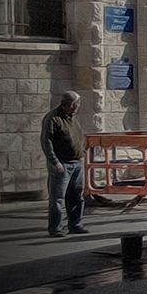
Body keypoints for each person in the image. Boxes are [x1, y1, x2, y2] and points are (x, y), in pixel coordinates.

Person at [40, 91, 88, 237]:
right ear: (71, 104)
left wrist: (82, 154)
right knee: (57, 198)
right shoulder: (52, 119)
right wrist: (54, 161)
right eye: (77, 103)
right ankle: (55, 228)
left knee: (77, 196)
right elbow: (46, 142)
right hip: (62, 164)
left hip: (77, 163)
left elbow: (79, 137)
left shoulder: (75, 118)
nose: (79, 106)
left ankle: (75, 224)